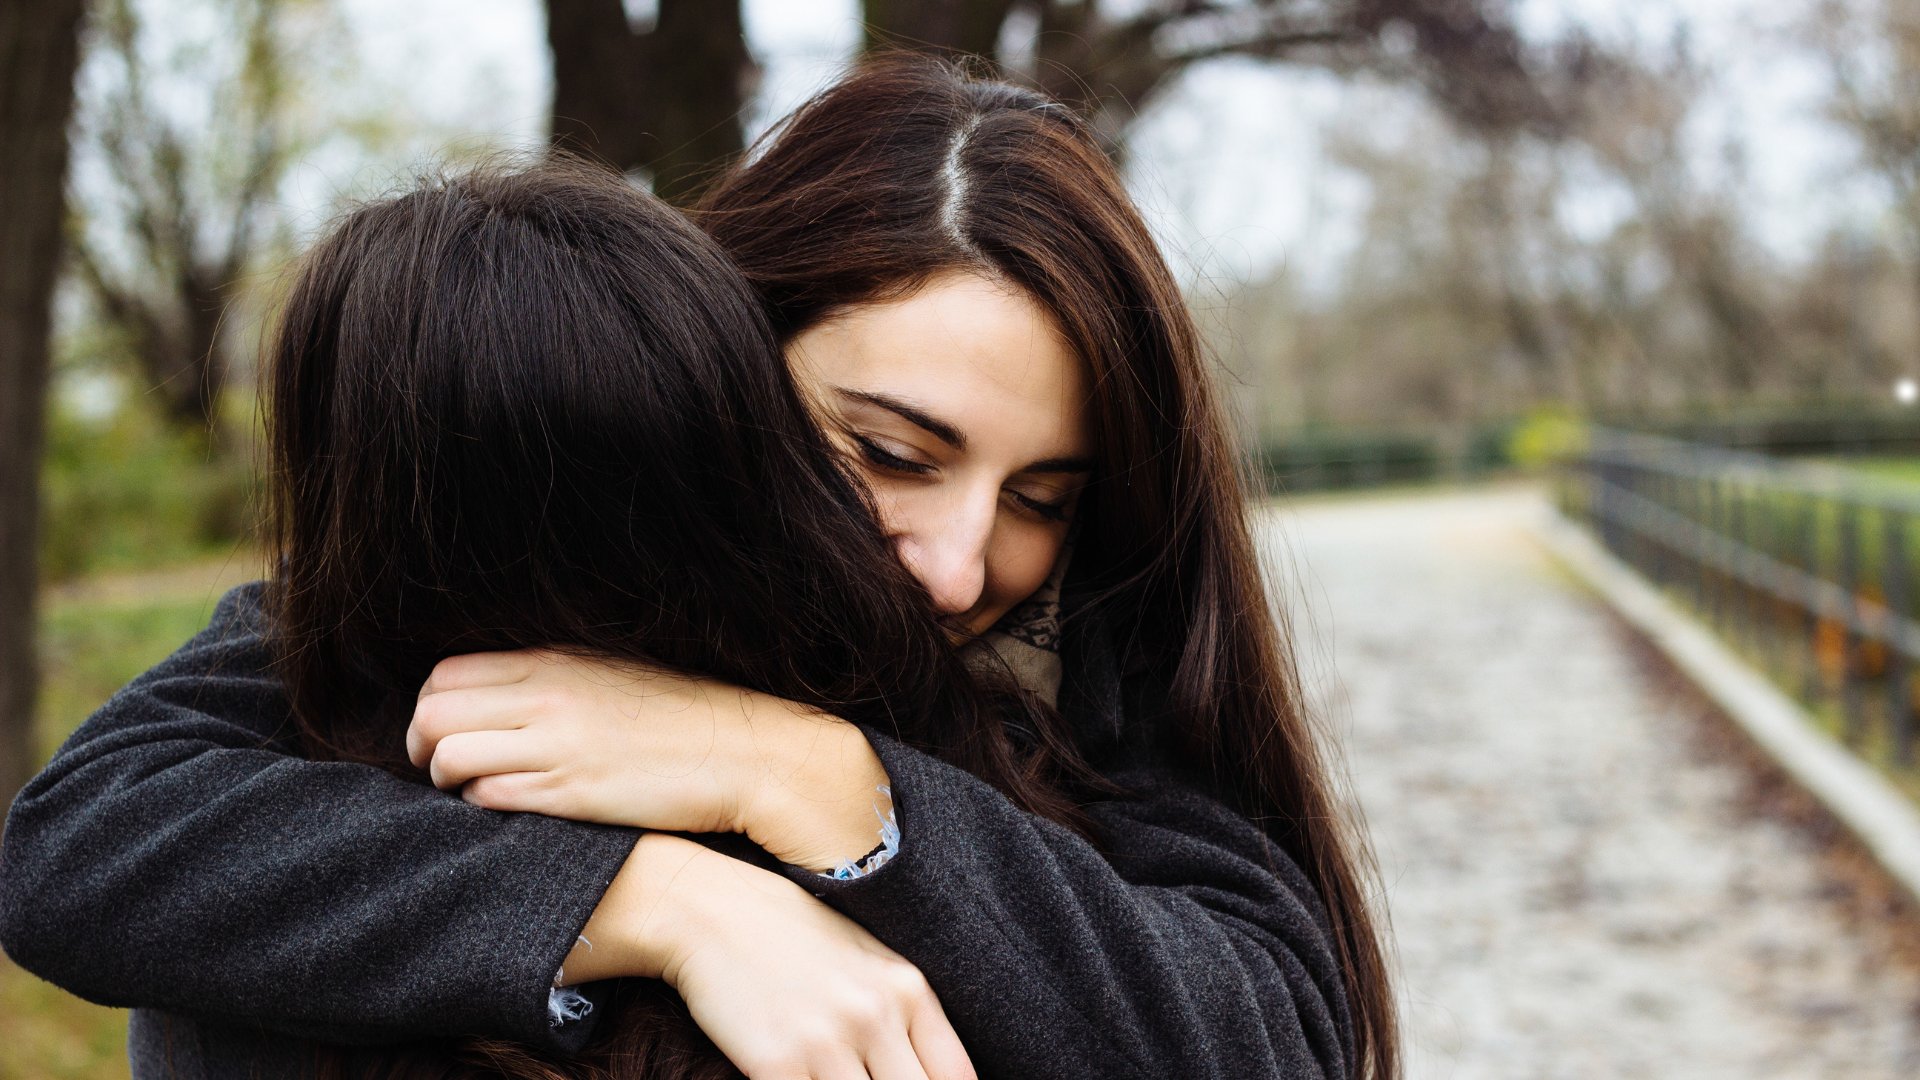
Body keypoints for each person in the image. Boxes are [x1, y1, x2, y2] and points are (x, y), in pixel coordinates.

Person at [0, 56, 1397, 1080]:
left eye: (1042, 497)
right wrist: (660, 906)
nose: (963, 565)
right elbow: (89, 840)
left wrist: (809, 781)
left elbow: (1270, 1035)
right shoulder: (496, 570)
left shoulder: (1083, 685)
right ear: (725, 361)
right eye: (892, 452)